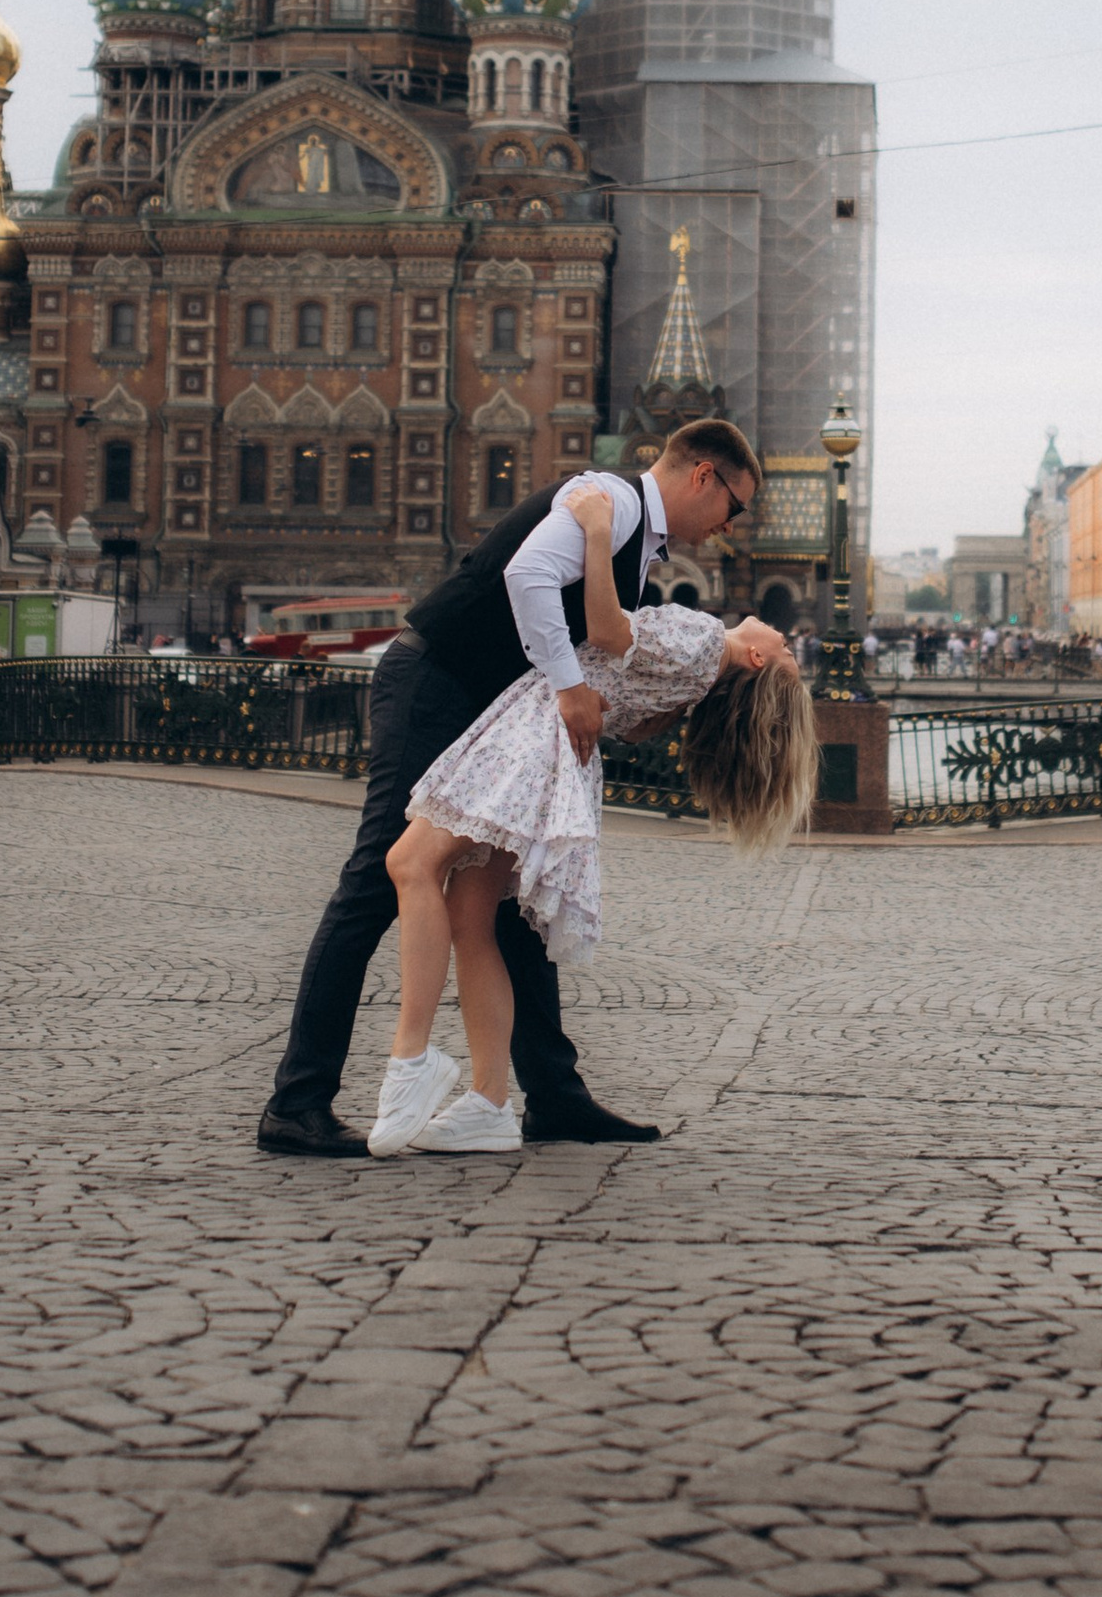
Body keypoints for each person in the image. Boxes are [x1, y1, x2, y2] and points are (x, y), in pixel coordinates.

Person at [255, 416, 765, 1157]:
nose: (728, 527)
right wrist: (568, 688)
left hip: (488, 706)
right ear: (703, 476)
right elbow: (523, 578)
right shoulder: (611, 500)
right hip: (439, 682)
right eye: (734, 507)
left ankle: (549, 1095)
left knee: (512, 904)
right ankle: (296, 1103)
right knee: (378, 877)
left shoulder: (632, 537)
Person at [370, 487, 812, 1151]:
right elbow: (626, 706)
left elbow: (606, 630)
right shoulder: (691, 681)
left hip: (530, 746)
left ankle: (413, 1059)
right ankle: (489, 1102)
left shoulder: (702, 643)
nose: (786, 639)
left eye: (786, 651)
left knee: (409, 864)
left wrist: (599, 531)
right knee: (470, 915)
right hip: (550, 754)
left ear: (755, 659)